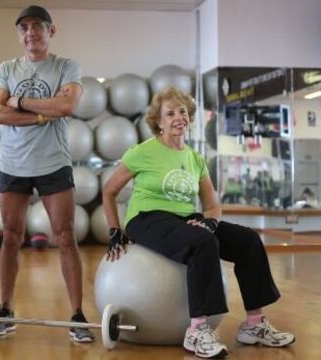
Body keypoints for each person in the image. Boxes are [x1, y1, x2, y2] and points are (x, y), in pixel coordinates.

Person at [102, 87, 295, 359]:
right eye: (170, 113)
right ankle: (197, 331)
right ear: (158, 121)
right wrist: (114, 230)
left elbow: (212, 205)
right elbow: (108, 191)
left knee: (248, 240)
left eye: (183, 112)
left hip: (182, 218)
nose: (178, 117)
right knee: (203, 242)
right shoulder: (142, 152)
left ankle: (254, 324)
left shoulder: (194, 158)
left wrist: (211, 223)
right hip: (146, 218)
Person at [0, 5, 93, 343]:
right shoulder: (6, 68)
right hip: (13, 163)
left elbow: (67, 107)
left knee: (64, 236)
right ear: (19, 34)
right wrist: (42, 115)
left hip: (53, 163)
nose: (31, 32)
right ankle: (5, 310)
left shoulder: (66, 66)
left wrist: (19, 101)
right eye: (24, 28)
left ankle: (77, 315)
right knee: (10, 236)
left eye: (37, 26)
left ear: (51, 31)